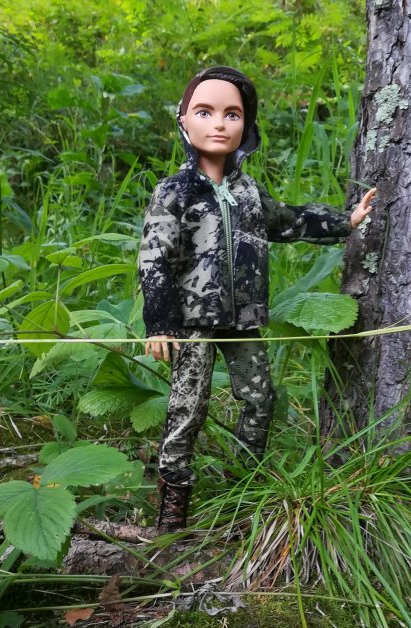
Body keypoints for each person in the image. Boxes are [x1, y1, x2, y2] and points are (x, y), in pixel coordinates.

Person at [138, 65, 375, 532]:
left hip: (244, 318)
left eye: (233, 114)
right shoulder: (175, 191)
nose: (220, 123)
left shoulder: (247, 191)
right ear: (184, 120)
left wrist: (344, 222)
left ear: (246, 126)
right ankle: (171, 511)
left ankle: (241, 490)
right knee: (188, 408)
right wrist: (160, 323)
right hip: (193, 319)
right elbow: (154, 259)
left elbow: (287, 220)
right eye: (205, 112)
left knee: (260, 397)